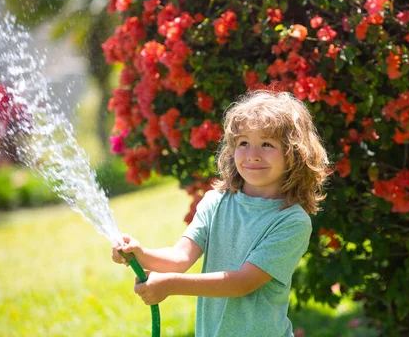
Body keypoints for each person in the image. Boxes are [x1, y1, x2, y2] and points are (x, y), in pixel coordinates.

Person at [111, 90, 330, 337]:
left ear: (294, 155)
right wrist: (139, 254)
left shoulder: (290, 220)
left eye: (267, 144)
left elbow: (242, 283)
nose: (252, 154)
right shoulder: (215, 202)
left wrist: (170, 284)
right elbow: (179, 257)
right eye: (243, 143)